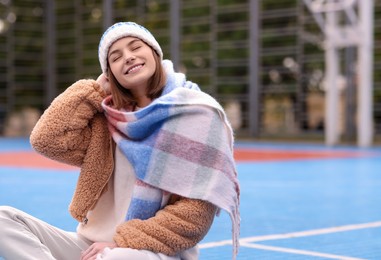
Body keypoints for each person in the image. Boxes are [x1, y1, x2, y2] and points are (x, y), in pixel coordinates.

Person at [0, 21, 240, 260]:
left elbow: (195, 214)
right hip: (90, 246)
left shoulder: (198, 114)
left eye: (135, 47)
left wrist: (121, 242)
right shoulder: (107, 120)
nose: (128, 57)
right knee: (3, 220)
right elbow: (47, 139)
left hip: (150, 250)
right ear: (109, 73)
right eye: (115, 57)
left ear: (155, 53)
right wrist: (94, 90)